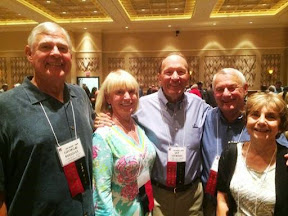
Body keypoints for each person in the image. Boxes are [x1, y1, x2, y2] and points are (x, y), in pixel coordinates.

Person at [96, 52, 210, 215]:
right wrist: (101, 118)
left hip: (192, 196)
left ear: (189, 77)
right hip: (157, 196)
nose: (175, 77)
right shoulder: (139, 107)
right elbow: (119, 118)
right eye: (169, 72)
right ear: (159, 77)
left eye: (181, 72)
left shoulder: (201, 106)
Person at [0, 22, 94, 215]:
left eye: (62, 48)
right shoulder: (5, 107)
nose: (56, 53)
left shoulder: (80, 96)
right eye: (45, 46)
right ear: (29, 53)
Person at [92, 69, 156, 215]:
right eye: (119, 92)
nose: (127, 97)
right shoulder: (103, 136)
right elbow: (101, 195)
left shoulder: (138, 126)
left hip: (145, 207)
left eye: (132, 91)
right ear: (108, 98)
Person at [217, 92, 288, 215]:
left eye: (270, 117)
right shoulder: (231, 153)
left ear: (280, 125)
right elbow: (222, 196)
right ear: (246, 121)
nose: (261, 121)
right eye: (255, 115)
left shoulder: (285, 160)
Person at [201, 68, 250, 215]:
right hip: (209, 200)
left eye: (232, 88)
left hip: (244, 204)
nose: (226, 94)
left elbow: (280, 148)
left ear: (245, 89)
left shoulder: (257, 120)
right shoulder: (205, 117)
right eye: (220, 89)